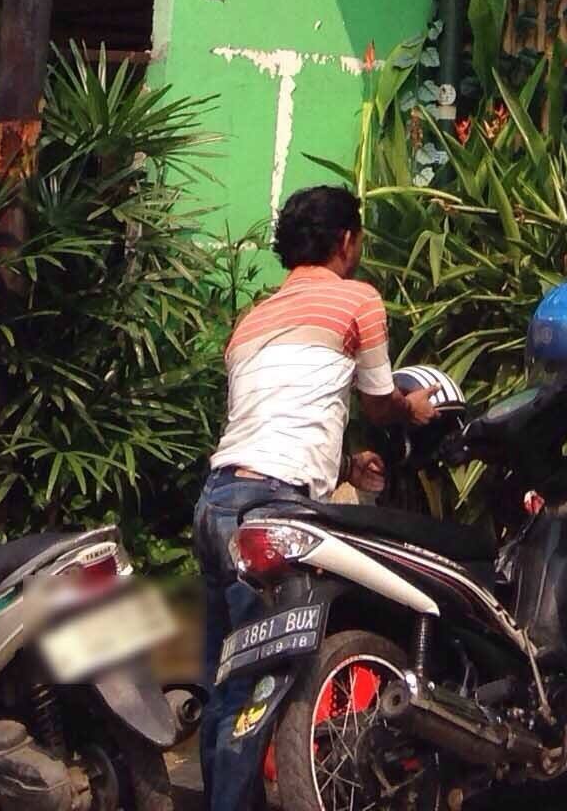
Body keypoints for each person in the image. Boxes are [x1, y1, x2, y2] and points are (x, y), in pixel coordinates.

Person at [195, 184, 440, 811]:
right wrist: (412, 410)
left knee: (225, 680)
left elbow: (275, 417)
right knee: (259, 684)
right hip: (273, 508)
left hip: (219, 500)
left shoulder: (250, 321)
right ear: (347, 241)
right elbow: (378, 399)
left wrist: (344, 463)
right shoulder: (357, 299)